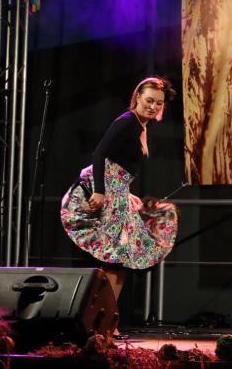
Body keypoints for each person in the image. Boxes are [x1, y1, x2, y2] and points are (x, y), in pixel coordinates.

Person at [60, 76, 179, 334]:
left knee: (120, 263)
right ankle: (101, 323)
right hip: (108, 190)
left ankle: (106, 321)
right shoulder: (127, 121)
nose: (153, 107)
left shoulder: (139, 126)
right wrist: (100, 191)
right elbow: (100, 153)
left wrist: (126, 195)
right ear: (138, 98)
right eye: (149, 101)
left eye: (158, 103)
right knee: (116, 261)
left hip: (118, 191)